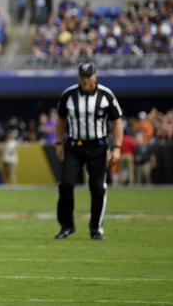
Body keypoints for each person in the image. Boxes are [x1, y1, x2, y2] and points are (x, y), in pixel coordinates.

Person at [54, 61, 123, 240]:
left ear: (95, 76)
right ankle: (67, 226)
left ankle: (96, 228)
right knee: (66, 184)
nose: (86, 81)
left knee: (98, 187)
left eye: (89, 77)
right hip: (74, 146)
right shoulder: (68, 95)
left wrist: (117, 147)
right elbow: (60, 119)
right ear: (79, 77)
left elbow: (117, 121)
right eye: (83, 77)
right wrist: (58, 143)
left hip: (98, 147)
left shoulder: (106, 95)